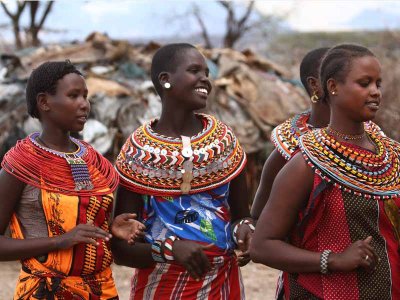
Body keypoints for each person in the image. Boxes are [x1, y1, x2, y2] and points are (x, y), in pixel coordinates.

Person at [250, 44, 400, 299]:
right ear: (333, 87)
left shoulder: (392, 155)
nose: (375, 92)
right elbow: (262, 246)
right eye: (364, 83)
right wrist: (333, 260)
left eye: (378, 84)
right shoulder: (306, 163)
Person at [112, 43, 253, 299]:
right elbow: (121, 249)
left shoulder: (224, 143)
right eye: (194, 71)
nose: (205, 80)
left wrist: (245, 232)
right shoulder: (138, 152)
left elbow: (242, 217)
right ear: (165, 80)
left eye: (207, 73)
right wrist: (170, 249)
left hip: (223, 282)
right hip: (162, 285)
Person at [0, 60, 143, 299]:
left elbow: (85, 224)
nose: (84, 105)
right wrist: (59, 241)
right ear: (44, 102)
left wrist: (110, 228)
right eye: (73, 96)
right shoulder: (22, 165)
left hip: (102, 290)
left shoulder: (93, 162)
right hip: (46, 292)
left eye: (85, 96)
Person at [251, 47, 384, 221]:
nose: (374, 91)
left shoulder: (378, 145)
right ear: (318, 85)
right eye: (329, 72)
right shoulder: (293, 154)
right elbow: (260, 220)